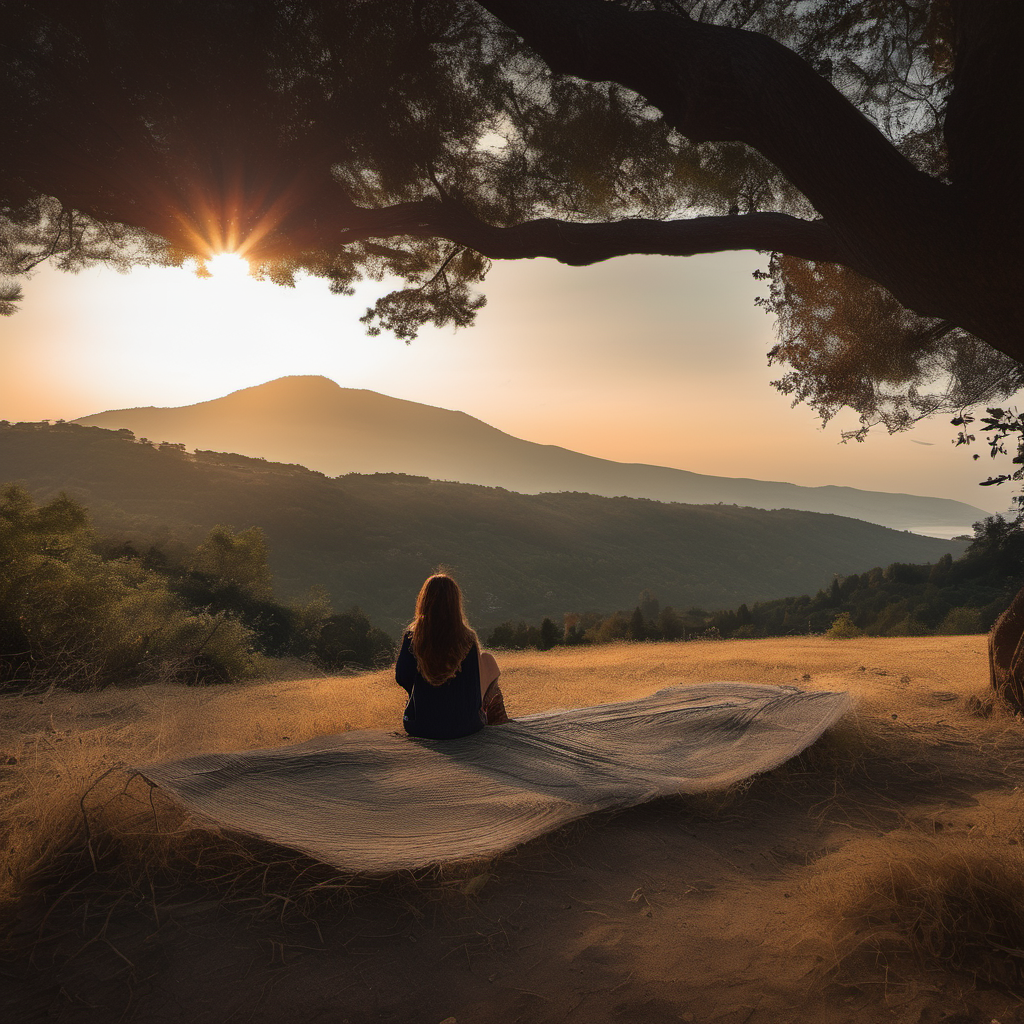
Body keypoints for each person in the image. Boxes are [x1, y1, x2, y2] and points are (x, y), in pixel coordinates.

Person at [396, 573, 509, 739]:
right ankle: (500, 719)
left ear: (424, 601)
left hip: (420, 726)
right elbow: (474, 685)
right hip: (468, 726)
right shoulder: (468, 638)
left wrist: (421, 693)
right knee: (488, 660)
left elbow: (402, 677)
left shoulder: (413, 638)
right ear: (455, 603)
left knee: (485, 659)